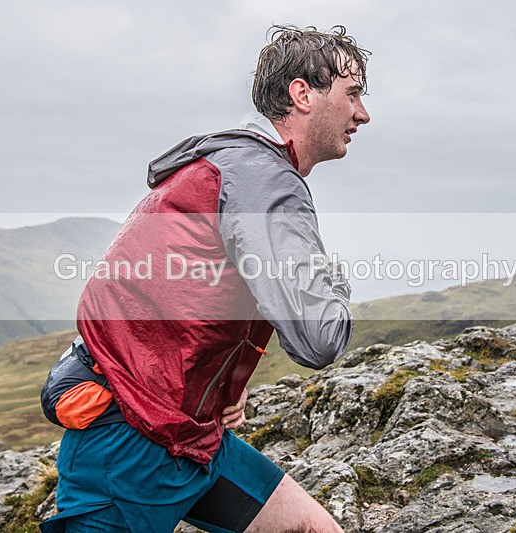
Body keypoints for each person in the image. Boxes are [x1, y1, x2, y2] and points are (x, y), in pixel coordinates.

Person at [40, 24, 370, 533]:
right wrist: (336, 279)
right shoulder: (262, 180)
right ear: (302, 94)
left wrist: (220, 385)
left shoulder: (225, 166)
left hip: (191, 438)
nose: (362, 114)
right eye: (353, 95)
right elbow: (319, 338)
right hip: (128, 446)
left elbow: (181, 291)